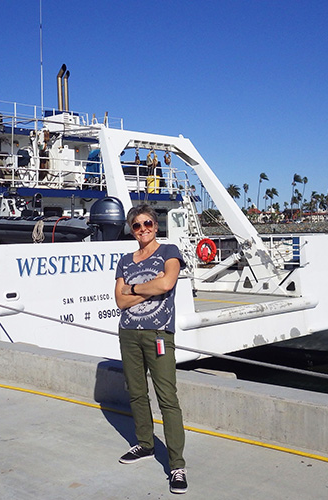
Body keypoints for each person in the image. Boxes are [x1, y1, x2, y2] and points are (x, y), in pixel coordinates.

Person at [114, 204, 187, 494]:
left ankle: (177, 465)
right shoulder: (125, 260)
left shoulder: (169, 252)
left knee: (167, 397)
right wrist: (148, 287)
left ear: (156, 226)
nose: (143, 228)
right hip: (129, 333)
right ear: (132, 230)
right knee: (136, 392)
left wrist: (132, 289)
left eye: (147, 223)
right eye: (136, 225)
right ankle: (145, 444)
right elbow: (119, 303)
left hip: (158, 333)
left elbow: (167, 283)